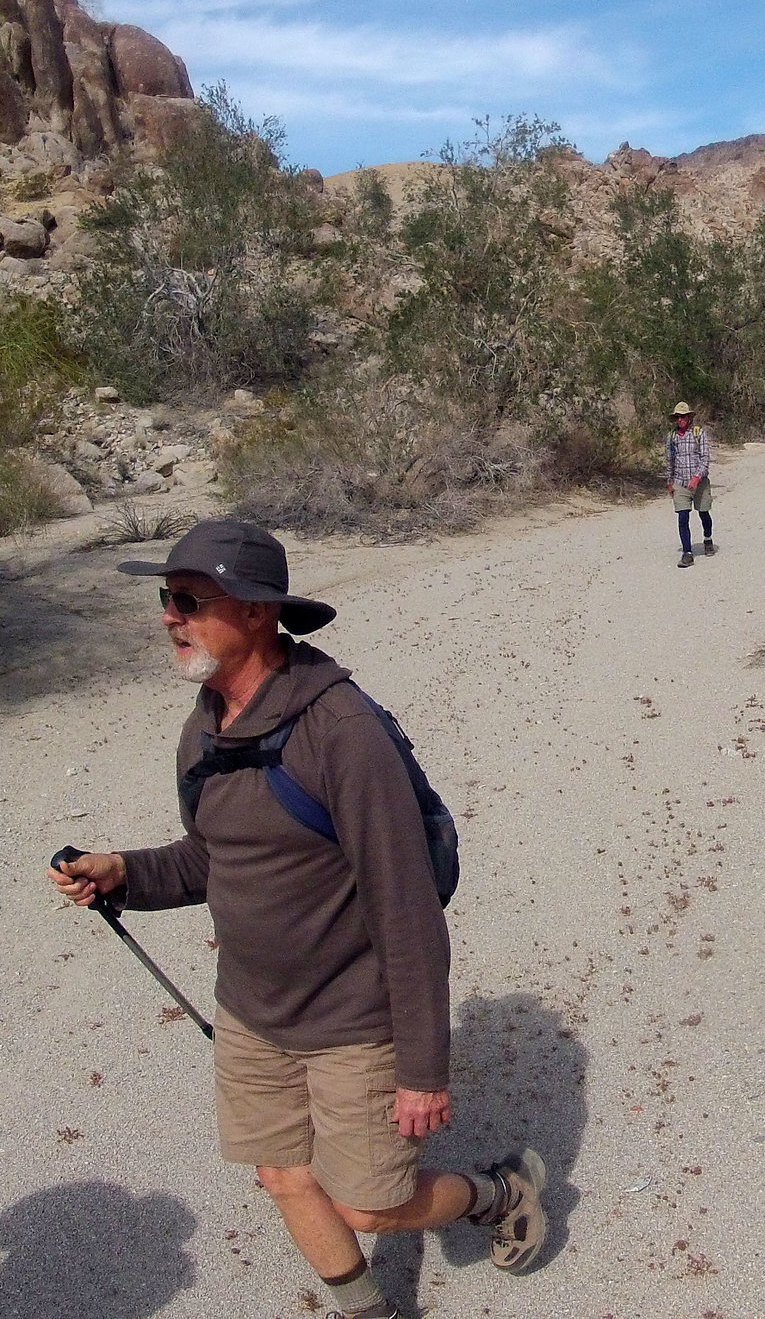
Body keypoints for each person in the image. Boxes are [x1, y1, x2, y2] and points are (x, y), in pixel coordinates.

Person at [47, 520, 544, 1319]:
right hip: (251, 1017)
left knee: (371, 1207)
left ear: (253, 612)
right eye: (164, 598)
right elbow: (212, 860)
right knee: (282, 1174)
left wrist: (423, 1067)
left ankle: (498, 1193)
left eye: (186, 600)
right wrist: (124, 873)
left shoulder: (340, 733)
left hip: (354, 1023)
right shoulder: (207, 724)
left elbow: (406, 909)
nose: (168, 616)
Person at [667, 400, 714, 567]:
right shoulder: (672, 437)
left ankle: (708, 539)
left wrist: (697, 477)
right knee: (683, 516)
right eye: (677, 417)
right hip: (680, 481)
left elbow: (705, 458)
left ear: (689, 417)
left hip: (699, 482)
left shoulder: (698, 433)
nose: (680, 420)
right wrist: (670, 481)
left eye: (683, 417)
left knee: (704, 513)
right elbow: (670, 460)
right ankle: (687, 552)